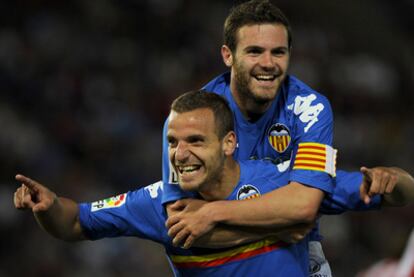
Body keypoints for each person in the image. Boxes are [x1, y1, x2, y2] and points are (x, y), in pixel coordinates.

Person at [14, 91, 414, 276]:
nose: (180, 153)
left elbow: (387, 194)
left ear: (228, 143)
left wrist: (393, 180)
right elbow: (75, 221)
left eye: (195, 141)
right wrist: (48, 207)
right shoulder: (156, 205)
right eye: (172, 142)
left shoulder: (284, 183)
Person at [161, 0, 335, 274]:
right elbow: (181, 225)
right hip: (218, 258)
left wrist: (212, 212)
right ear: (228, 55)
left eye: (278, 52)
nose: (268, 64)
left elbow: (304, 207)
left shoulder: (312, 109)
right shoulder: (187, 122)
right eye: (255, 51)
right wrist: (281, 224)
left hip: (297, 255)